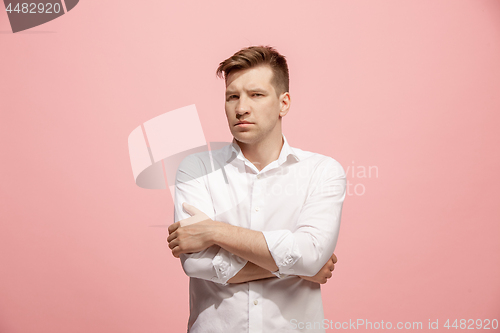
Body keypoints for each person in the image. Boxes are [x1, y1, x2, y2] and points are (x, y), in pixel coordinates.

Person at [167, 45, 347, 333]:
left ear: (283, 103)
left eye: (257, 94)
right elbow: (196, 264)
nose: (241, 108)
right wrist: (297, 269)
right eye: (232, 96)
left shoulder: (322, 171)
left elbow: (311, 255)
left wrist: (215, 231)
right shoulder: (196, 170)